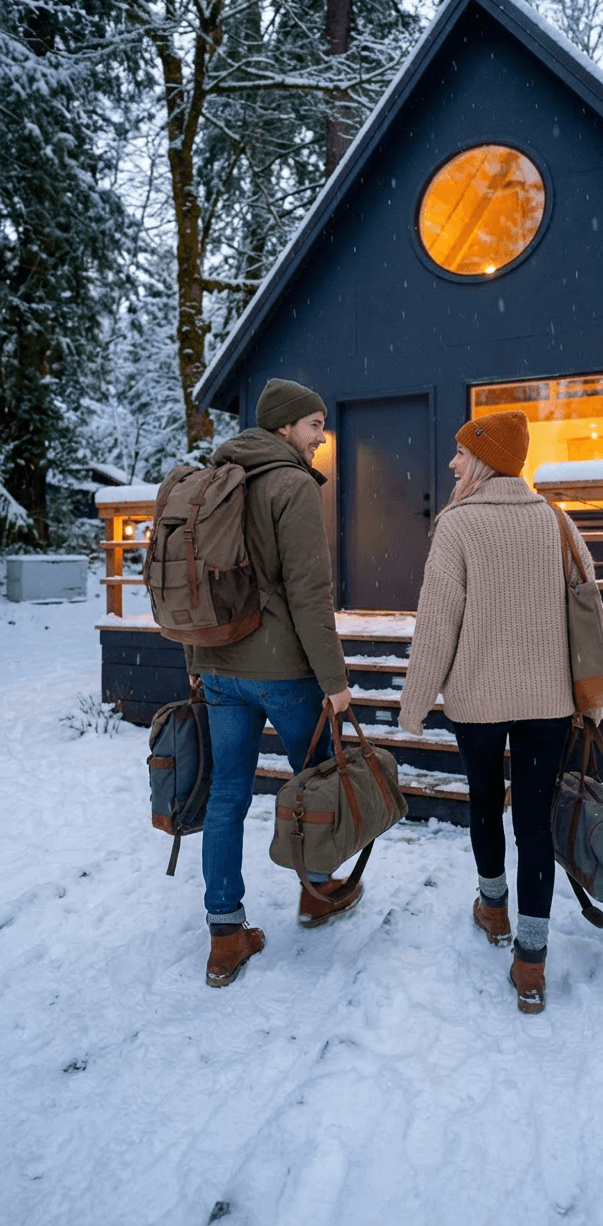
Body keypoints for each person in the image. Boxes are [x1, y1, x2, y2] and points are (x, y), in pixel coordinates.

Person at [398, 411, 596, 1014]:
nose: (452, 463)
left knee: (485, 802)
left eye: (461, 453)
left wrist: (413, 707)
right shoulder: (557, 522)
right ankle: (531, 962)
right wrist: (590, 699)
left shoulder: (456, 528)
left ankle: (493, 909)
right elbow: (588, 611)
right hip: (548, 702)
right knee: (534, 822)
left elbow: (436, 626)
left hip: (477, 701)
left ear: (484, 459)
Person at [186, 378, 358, 989]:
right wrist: (334, 680)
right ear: (286, 427)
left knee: (226, 795)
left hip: (218, 666)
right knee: (316, 785)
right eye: (314, 425)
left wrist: (196, 662)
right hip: (283, 671)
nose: (320, 436)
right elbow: (311, 593)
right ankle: (316, 894)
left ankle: (225, 935)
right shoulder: (292, 486)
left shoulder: (213, 480)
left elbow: (193, 578)